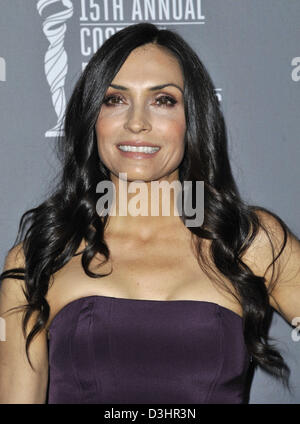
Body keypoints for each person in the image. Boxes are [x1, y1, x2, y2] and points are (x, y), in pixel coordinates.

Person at [0, 22, 299, 404]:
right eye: (115, 99)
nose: (137, 122)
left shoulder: (248, 241)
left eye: (163, 100)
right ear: (92, 119)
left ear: (193, 118)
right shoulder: (39, 259)